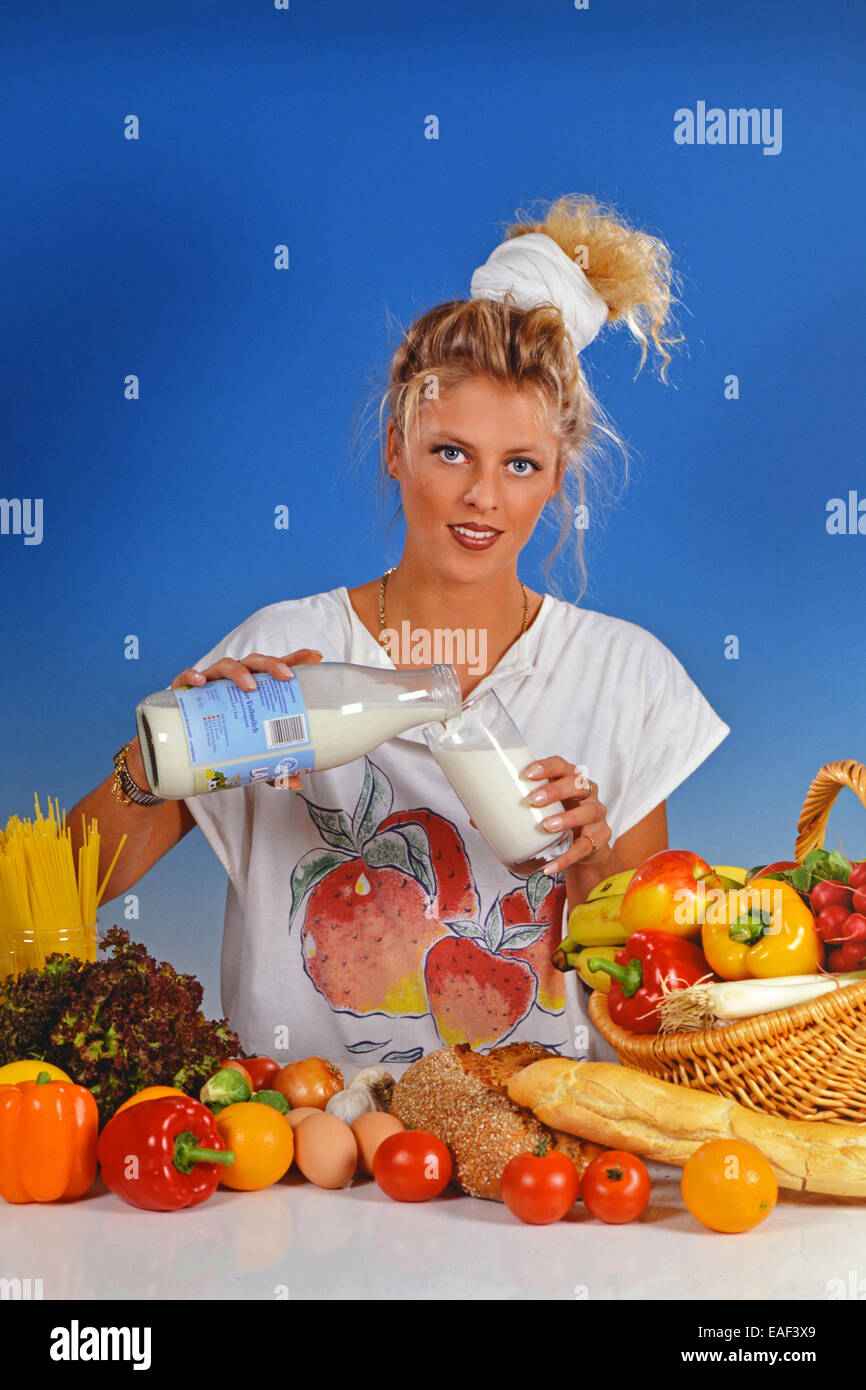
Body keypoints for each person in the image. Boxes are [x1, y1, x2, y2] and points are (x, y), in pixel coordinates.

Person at [69, 194, 729, 1069]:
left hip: (529, 1156)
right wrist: (153, 766)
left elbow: (651, 998)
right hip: (301, 1146)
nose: (482, 497)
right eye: (450, 451)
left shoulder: (626, 676)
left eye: (519, 465)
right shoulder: (288, 649)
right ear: (396, 447)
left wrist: (592, 864)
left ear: (557, 478)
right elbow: (77, 885)